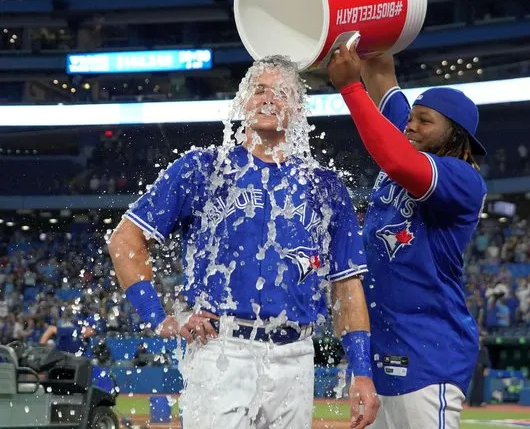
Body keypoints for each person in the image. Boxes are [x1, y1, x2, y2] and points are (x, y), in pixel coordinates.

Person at [108, 55, 380, 429]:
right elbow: (125, 238)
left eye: (282, 92)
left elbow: (346, 286)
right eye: (259, 89)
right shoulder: (202, 167)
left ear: (299, 109)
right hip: (221, 350)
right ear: (242, 101)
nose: (268, 99)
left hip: (296, 355)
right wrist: (159, 318)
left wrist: (361, 370)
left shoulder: (327, 188)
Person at [327, 45, 487, 429]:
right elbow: (382, 71)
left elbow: (396, 160)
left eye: (424, 121)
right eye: (410, 118)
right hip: (381, 352)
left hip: (429, 355)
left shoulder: (462, 178)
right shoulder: (411, 138)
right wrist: (369, 32)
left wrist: (350, 89)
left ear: (454, 135)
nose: (411, 126)